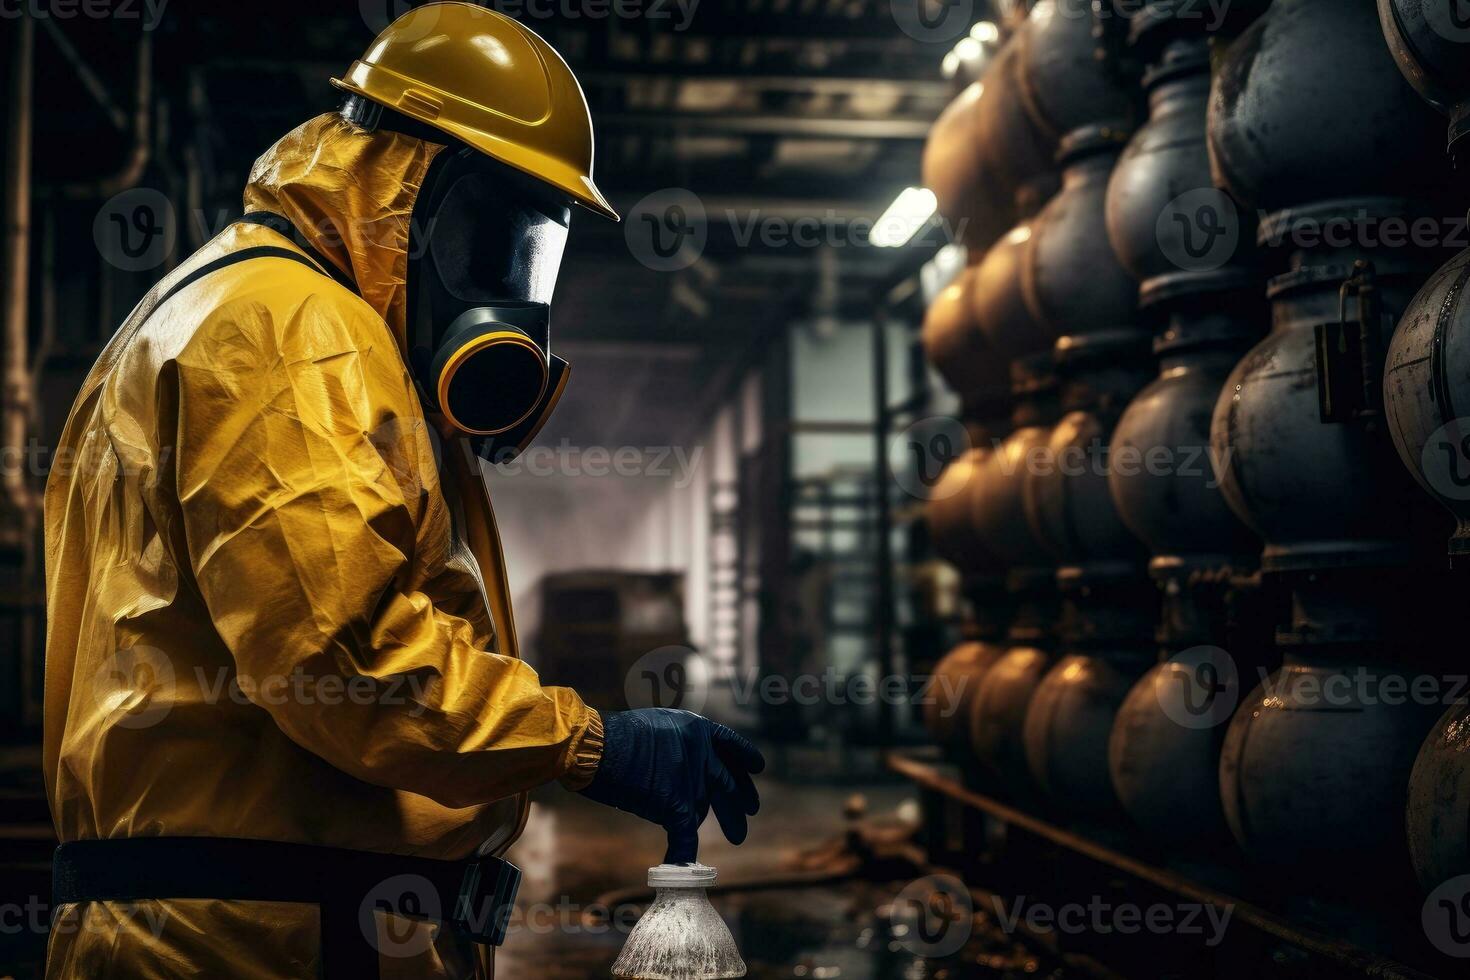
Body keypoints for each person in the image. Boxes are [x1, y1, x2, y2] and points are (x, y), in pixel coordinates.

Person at [41, 5, 762, 978]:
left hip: (253, 927)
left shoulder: (237, 308)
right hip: (262, 943)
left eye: (533, 254)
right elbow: (350, 662)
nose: (512, 286)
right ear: (417, 192)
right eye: (503, 235)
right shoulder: (292, 331)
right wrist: (587, 742)